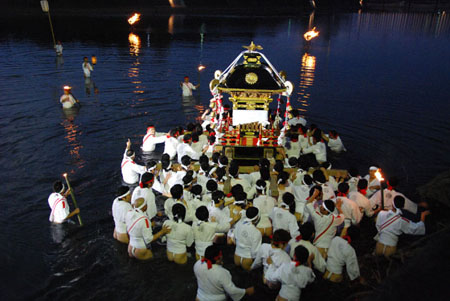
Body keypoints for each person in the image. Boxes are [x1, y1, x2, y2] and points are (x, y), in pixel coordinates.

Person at [306, 189, 344, 258]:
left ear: (325, 211)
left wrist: (314, 195)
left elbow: (308, 204)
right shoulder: (335, 219)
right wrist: (338, 208)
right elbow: (342, 216)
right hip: (330, 249)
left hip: (318, 247)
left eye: (322, 207)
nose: (320, 207)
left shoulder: (318, 217)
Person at [233, 207, 263, 271]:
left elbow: (234, 238)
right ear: (257, 218)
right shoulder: (256, 232)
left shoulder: (238, 224)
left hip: (237, 256)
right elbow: (255, 252)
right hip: (247, 259)